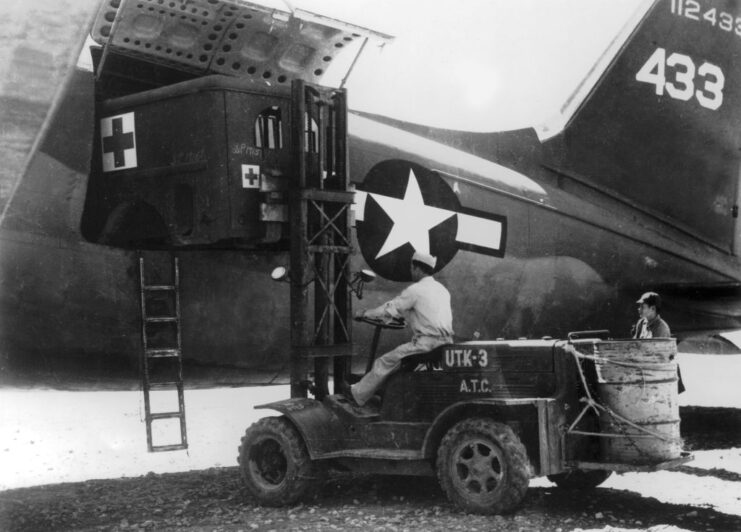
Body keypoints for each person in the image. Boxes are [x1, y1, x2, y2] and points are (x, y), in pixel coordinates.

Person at [344, 251, 454, 406]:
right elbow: (425, 313)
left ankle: (356, 395)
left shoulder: (415, 290)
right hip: (445, 344)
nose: (411, 271)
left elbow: (388, 309)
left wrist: (364, 313)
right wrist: (402, 317)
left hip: (426, 345)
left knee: (385, 362)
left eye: (411, 267)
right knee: (396, 362)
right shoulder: (442, 290)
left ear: (416, 268)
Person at [632, 291, 685, 393]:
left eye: (643, 307)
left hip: (657, 375)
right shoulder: (641, 323)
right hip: (644, 369)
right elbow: (635, 345)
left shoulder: (662, 329)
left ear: (653, 309)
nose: (639, 309)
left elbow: (660, 359)